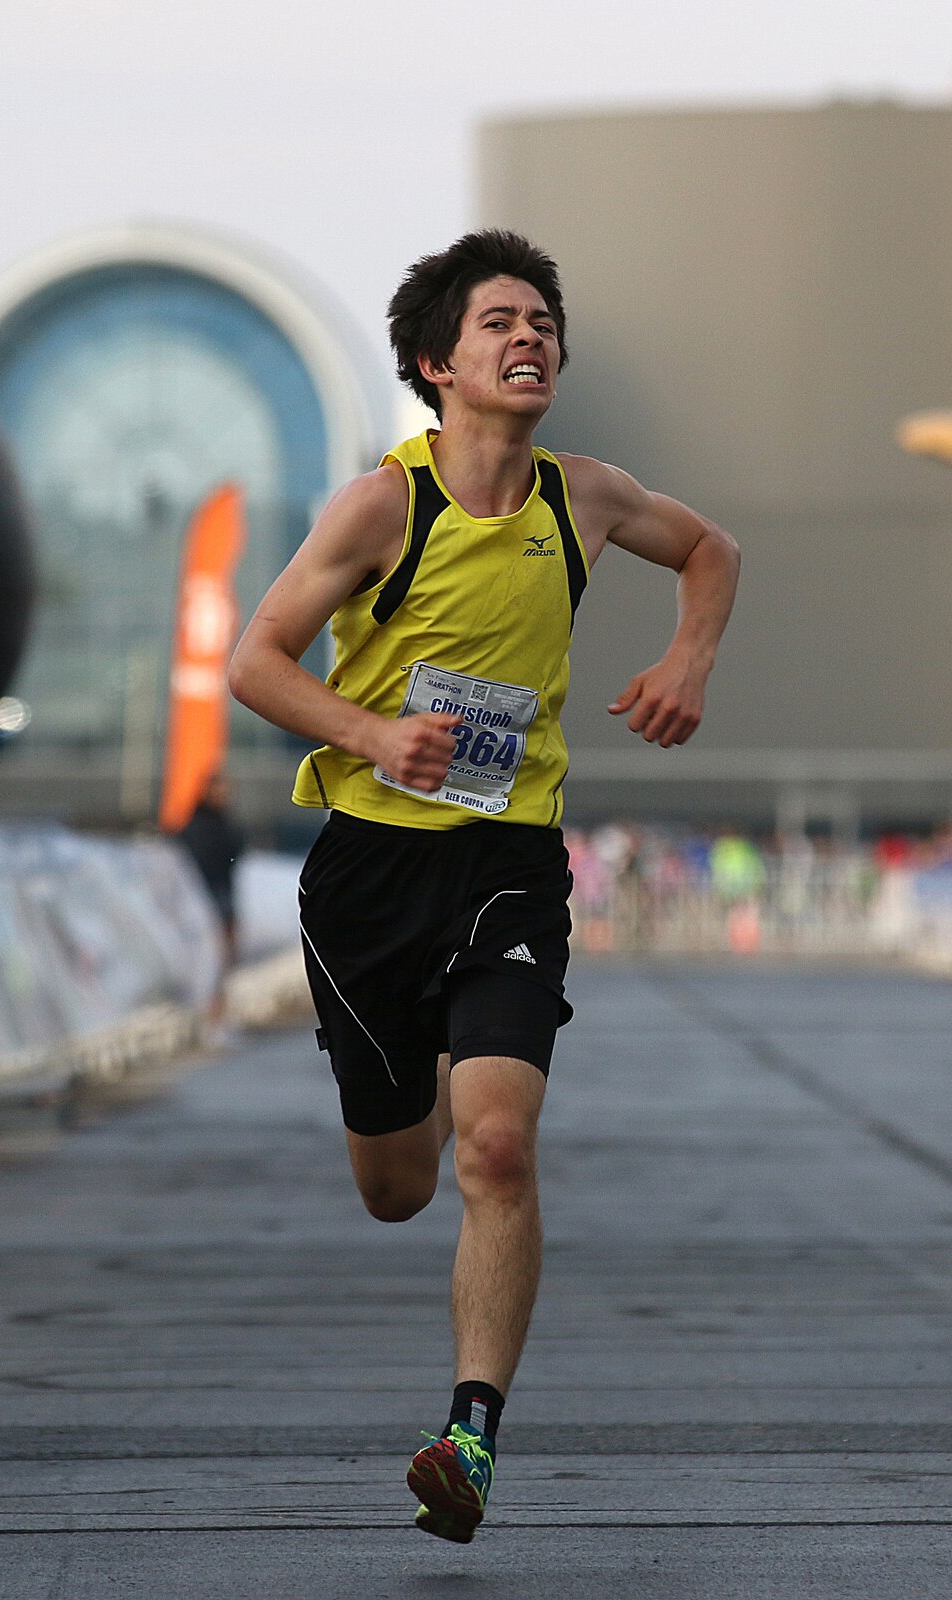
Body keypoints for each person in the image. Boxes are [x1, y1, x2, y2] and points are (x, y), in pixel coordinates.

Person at [227, 231, 740, 1542]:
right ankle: (442, 1061)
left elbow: (712, 552)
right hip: (369, 873)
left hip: (510, 858)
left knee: (499, 1150)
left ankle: (470, 1437)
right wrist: (370, 733)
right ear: (436, 363)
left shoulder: (590, 496)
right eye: (500, 323)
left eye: (543, 324)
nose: (530, 340)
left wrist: (687, 659)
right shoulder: (378, 511)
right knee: (399, 1186)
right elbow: (256, 661)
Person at [173, 769, 248, 1016]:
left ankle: (217, 1015)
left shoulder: (223, 823)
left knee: (221, 964)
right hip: (204, 902)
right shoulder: (199, 827)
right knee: (209, 962)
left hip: (222, 900)